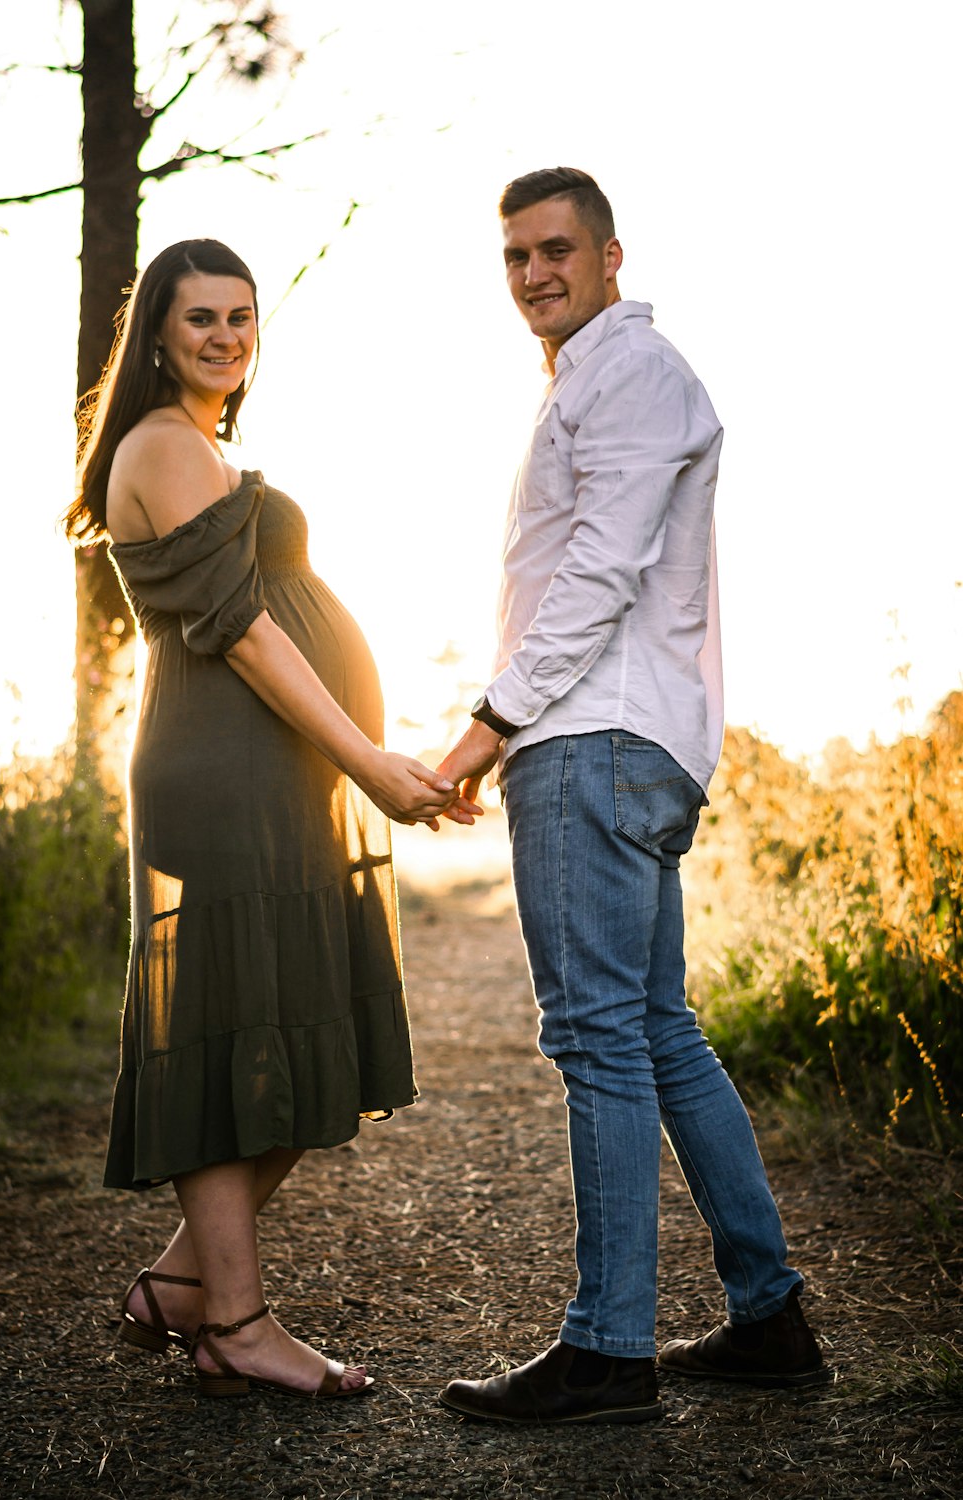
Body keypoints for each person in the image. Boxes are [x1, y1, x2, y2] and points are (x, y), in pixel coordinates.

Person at [436, 169, 826, 1425]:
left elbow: (600, 570)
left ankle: (608, 1351)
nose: (534, 273)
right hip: (627, 739)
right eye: (514, 257)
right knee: (656, 1030)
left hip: (591, 737)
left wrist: (486, 727)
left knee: (599, 1039)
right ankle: (769, 1320)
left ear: (611, 255)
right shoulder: (595, 382)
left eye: (555, 249)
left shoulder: (629, 373)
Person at [64, 239, 475, 1402]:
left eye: (241, 316)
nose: (226, 336)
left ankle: (186, 1289)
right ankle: (235, 1322)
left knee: (304, 1033)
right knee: (246, 1026)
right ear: (155, 334)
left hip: (271, 768)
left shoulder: (199, 446)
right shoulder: (158, 444)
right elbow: (241, 629)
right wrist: (365, 760)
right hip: (225, 768)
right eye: (200, 317)